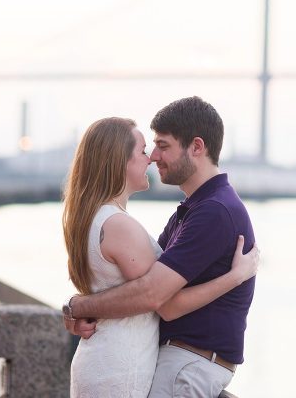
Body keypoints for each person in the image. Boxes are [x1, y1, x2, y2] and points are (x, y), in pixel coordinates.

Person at [64, 97, 257, 397]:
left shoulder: (215, 211)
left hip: (188, 364)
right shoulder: (191, 210)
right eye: (148, 148)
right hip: (175, 363)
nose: (154, 156)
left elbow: (156, 297)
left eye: (163, 146)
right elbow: (150, 289)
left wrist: (80, 306)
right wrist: (233, 277)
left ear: (196, 147)